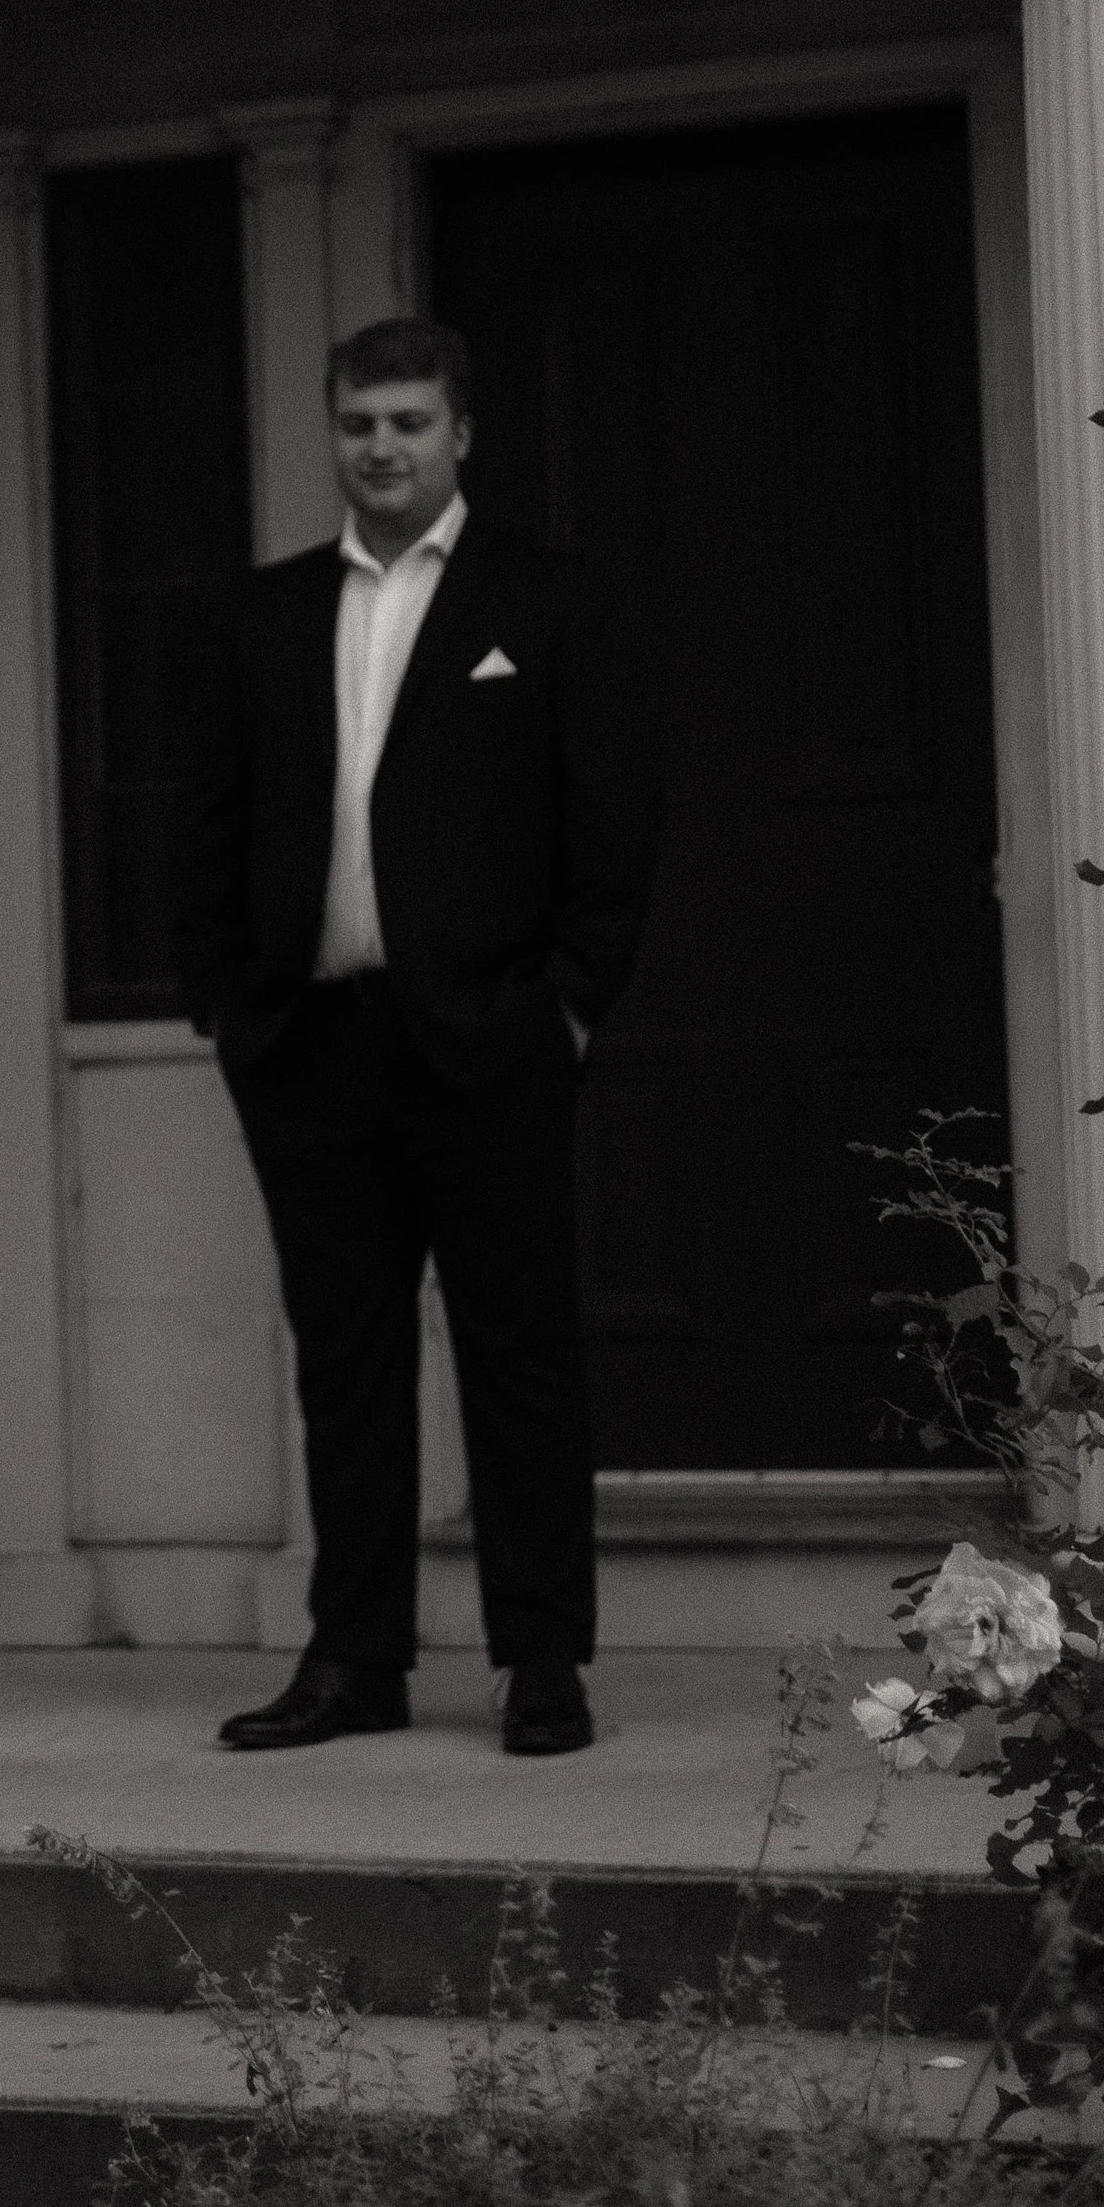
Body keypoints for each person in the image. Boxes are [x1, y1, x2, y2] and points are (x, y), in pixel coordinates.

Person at [178, 317, 657, 1759]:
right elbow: (204, 824)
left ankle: (543, 1657)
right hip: (309, 1044)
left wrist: (566, 1004)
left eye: (408, 421)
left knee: (521, 1349)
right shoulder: (264, 614)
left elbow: (611, 820)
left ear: (462, 433)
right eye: (358, 423)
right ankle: (357, 1658)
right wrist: (228, 1006)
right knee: (347, 1360)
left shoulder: (548, 596)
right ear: (332, 435)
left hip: (492, 1034)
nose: (381, 446)